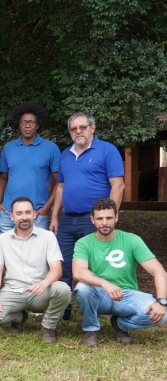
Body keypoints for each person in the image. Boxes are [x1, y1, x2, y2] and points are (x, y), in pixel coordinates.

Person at [50, 112, 124, 320]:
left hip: (93, 220)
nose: (78, 131)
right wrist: (55, 216)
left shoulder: (107, 151)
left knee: (95, 266)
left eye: (82, 127)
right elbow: (61, 187)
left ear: (93, 127)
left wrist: (110, 216)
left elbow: (118, 185)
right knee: (61, 264)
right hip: (67, 219)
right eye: (74, 128)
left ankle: (96, 310)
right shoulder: (66, 154)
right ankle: (62, 310)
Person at [73, 198, 167, 347]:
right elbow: (78, 272)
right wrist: (105, 283)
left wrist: (161, 301)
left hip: (126, 296)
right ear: (92, 220)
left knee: (162, 315)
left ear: (116, 217)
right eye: (100, 218)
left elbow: (159, 271)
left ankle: (120, 325)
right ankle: (90, 329)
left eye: (109, 218)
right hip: (100, 295)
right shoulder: (84, 243)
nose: (104, 222)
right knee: (83, 288)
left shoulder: (132, 240)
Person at [0, 197, 71, 344]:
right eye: (19, 213)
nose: (24, 217)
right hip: (13, 291)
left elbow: (57, 270)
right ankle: (19, 318)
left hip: (40, 291)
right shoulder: (2, 239)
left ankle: (48, 326)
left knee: (63, 289)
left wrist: (43, 284)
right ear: (12, 216)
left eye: (28, 212)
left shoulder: (47, 237)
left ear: (34, 214)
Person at [0, 103, 61, 234]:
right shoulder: (8, 148)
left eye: (31, 122)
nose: (27, 125)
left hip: (37, 212)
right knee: (7, 251)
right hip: (8, 212)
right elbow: (2, 178)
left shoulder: (51, 148)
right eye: (23, 122)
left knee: (35, 252)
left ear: (38, 125)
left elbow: (59, 182)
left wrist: (48, 206)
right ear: (19, 125)